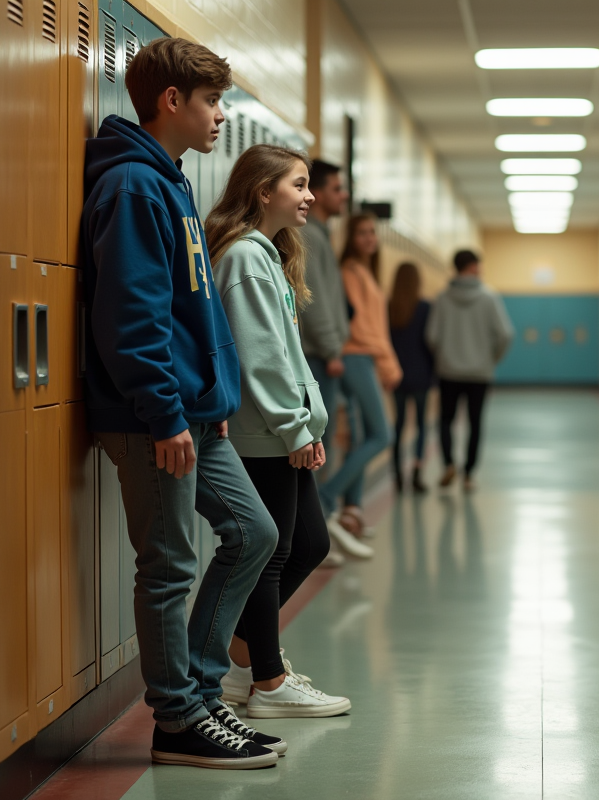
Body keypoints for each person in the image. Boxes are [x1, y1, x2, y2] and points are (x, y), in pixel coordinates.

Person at [81, 38, 280, 769]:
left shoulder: (168, 181)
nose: (222, 117)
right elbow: (132, 316)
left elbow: (190, 308)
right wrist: (165, 411)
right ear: (174, 102)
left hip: (196, 413)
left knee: (252, 533)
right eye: (213, 102)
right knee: (167, 565)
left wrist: (209, 395)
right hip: (154, 419)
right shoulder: (134, 186)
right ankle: (177, 720)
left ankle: (197, 694)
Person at [207, 143, 352, 720]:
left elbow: (286, 354)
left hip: (280, 430)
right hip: (262, 432)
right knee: (273, 554)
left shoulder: (266, 254)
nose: (310, 196)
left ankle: (245, 657)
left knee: (309, 544)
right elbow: (261, 357)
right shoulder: (244, 257)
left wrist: (305, 423)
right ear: (264, 191)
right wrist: (295, 428)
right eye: (299, 184)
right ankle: (267, 681)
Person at [317, 214, 401, 544]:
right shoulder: (351, 272)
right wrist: (388, 363)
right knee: (382, 434)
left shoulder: (365, 271)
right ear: (351, 238)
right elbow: (364, 328)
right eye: (362, 233)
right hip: (355, 356)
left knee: (362, 435)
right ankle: (327, 496)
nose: (369, 238)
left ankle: (351, 509)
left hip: (363, 357)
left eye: (372, 233)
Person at [297, 160, 353, 567]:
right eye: (337, 188)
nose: (343, 195)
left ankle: (322, 523)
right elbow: (314, 302)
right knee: (316, 443)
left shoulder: (321, 235)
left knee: (323, 442)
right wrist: (333, 349)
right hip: (318, 357)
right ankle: (314, 530)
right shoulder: (311, 238)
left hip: (325, 353)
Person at [426, 250, 514, 491]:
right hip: (480, 373)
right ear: (473, 267)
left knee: (446, 420)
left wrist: (445, 357)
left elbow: (431, 336)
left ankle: (448, 465)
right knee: (476, 423)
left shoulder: (443, 298)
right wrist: (490, 358)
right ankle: (468, 476)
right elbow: (506, 334)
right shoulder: (489, 297)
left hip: (448, 372)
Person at [388, 262, 435, 492]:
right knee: (420, 425)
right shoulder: (425, 307)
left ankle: (397, 475)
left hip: (396, 376)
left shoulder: (389, 307)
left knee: (398, 425)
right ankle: (417, 472)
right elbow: (431, 343)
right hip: (421, 375)